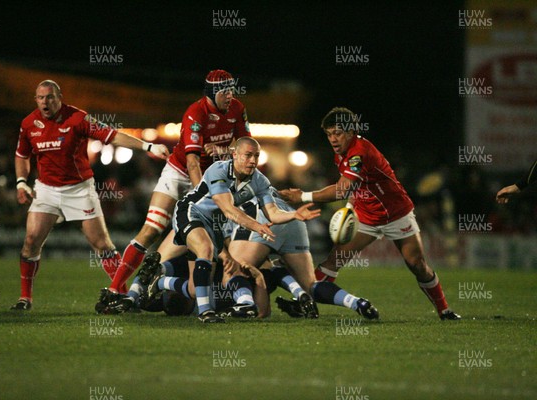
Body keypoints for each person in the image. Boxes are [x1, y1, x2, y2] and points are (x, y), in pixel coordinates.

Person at [280, 107, 461, 320]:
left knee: (416, 264)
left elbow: (341, 189)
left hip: (396, 213)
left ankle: (444, 310)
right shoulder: (341, 154)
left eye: (337, 133)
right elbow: (354, 188)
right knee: (334, 261)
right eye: (329, 134)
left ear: (351, 132)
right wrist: (351, 208)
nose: (333, 139)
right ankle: (305, 303)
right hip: (366, 217)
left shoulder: (360, 152)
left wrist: (302, 196)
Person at [12, 80, 169, 310]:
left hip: (79, 189)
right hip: (46, 189)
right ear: (36, 99)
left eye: (50, 97)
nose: (46, 102)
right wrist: (20, 182)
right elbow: (21, 155)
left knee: (102, 245)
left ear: (60, 97)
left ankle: (123, 295)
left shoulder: (78, 118)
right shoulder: (28, 124)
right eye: (41, 98)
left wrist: (147, 146)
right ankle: (25, 298)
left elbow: (112, 135)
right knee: (30, 241)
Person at [99, 70, 250, 306]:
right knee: (152, 229)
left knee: (187, 245)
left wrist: (225, 152)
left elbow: (246, 148)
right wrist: (201, 193)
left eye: (232, 90)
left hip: (212, 178)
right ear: (211, 93)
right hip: (180, 173)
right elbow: (191, 161)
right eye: (225, 91)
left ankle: (138, 293)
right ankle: (115, 288)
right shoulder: (195, 112)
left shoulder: (237, 109)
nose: (230, 95)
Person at [150, 137, 320, 323]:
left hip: (216, 225)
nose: (253, 161)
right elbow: (228, 209)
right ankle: (205, 312)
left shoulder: (259, 180)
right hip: (190, 212)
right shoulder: (218, 170)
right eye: (248, 155)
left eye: (256, 156)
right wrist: (257, 226)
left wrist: (293, 215)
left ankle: (159, 281)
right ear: (234, 155)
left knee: (194, 288)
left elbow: (272, 212)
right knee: (205, 249)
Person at [225, 187, 379, 320]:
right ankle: (356, 302)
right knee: (310, 285)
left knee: (233, 270)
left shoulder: (217, 190)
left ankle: (245, 305)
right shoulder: (253, 180)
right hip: (293, 218)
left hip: (263, 217)